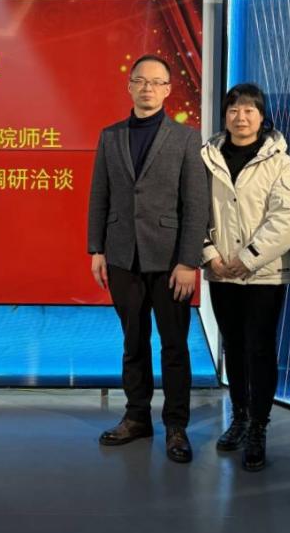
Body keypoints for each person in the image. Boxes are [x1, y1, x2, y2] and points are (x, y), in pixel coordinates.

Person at [87, 55, 209, 464]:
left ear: (168, 90)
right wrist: (97, 249)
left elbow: (196, 204)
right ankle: (136, 416)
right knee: (132, 342)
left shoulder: (186, 138)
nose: (147, 88)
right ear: (129, 86)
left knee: (174, 346)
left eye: (156, 82)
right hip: (123, 256)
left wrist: (188, 262)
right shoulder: (110, 136)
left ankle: (176, 426)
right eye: (140, 81)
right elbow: (100, 195)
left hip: (171, 260)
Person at [201, 83, 290, 471]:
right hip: (221, 272)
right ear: (224, 115)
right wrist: (210, 255)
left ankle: (259, 427)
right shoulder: (206, 157)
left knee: (259, 350)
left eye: (249, 110)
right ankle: (239, 418)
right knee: (234, 347)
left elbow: (286, 218)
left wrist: (248, 258)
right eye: (233, 110)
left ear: (262, 116)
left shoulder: (279, 160)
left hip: (264, 274)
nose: (240, 117)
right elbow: (194, 211)